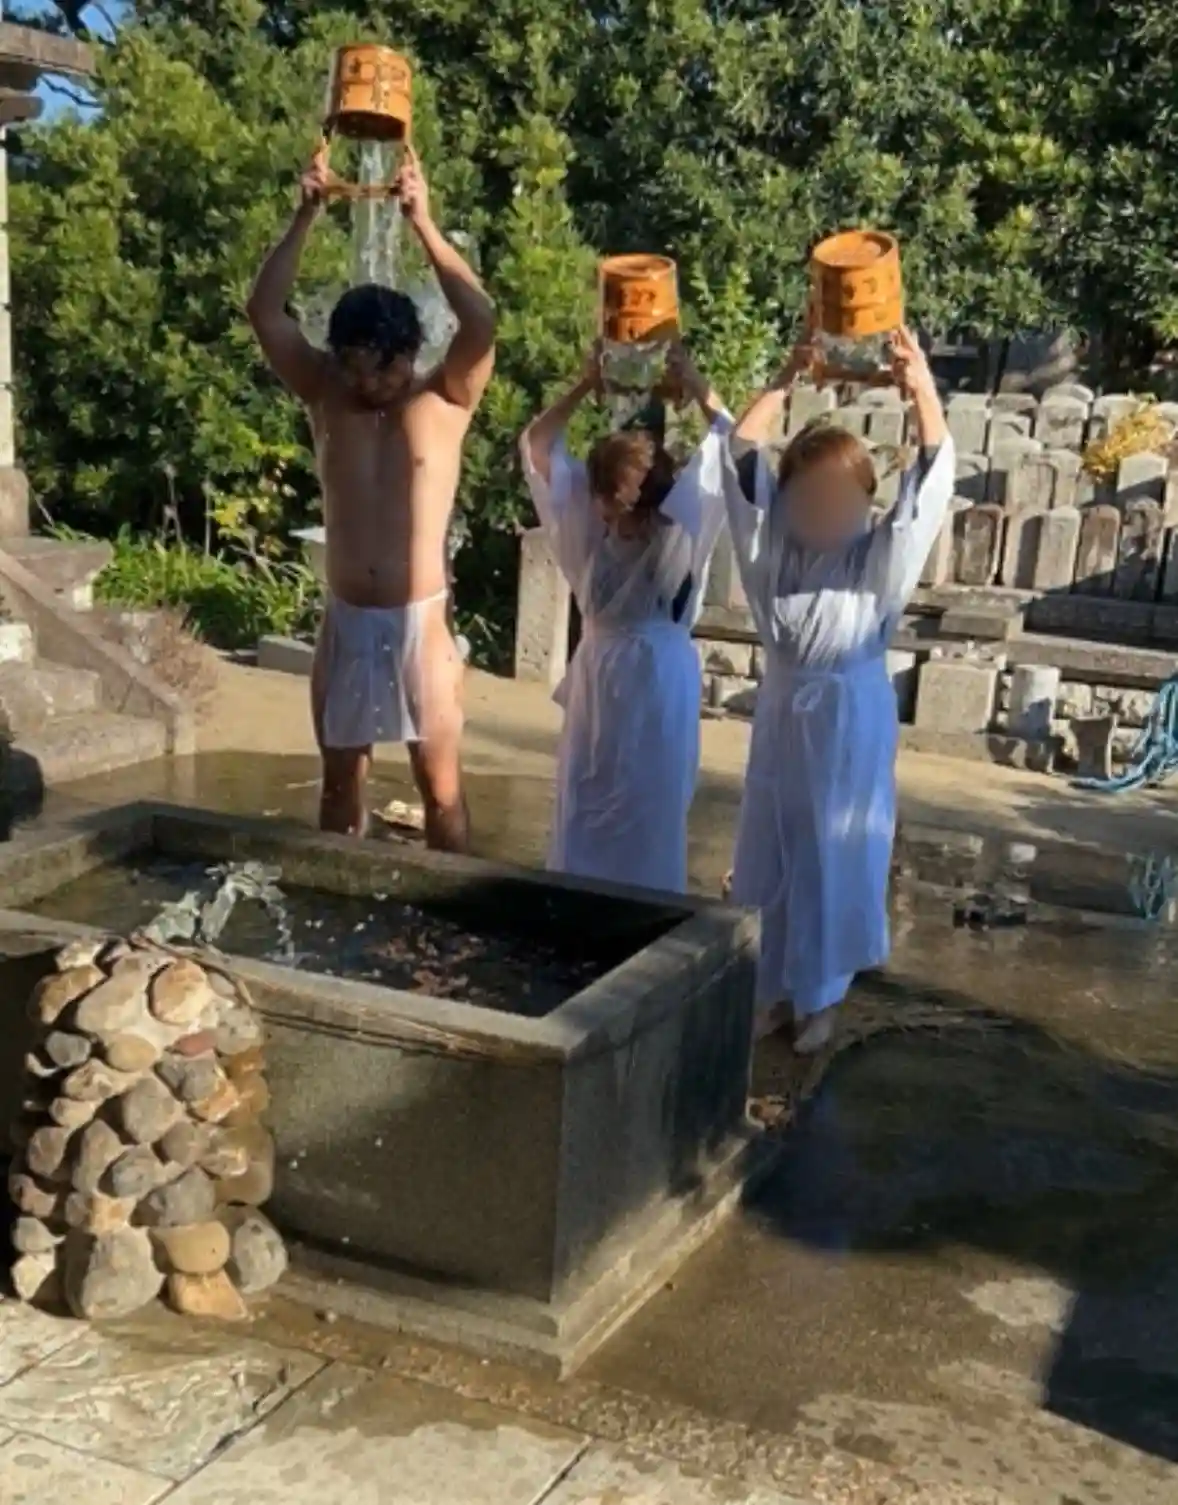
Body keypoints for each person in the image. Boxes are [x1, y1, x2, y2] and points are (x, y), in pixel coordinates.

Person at [245, 144, 494, 848]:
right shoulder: (325, 393)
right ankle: (336, 897)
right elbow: (264, 311)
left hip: (421, 620)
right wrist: (305, 214)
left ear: (410, 355)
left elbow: (480, 321)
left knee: (440, 787)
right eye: (354, 367)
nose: (369, 384)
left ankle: (447, 908)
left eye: (383, 370)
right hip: (348, 616)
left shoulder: (445, 398)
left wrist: (424, 223)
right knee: (339, 784)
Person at [722, 311, 953, 1053]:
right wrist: (787, 375)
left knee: (833, 853)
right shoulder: (772, 553)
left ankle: (821, 996)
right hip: (785, 711)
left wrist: (920, 388)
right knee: (768, 851)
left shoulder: (879, 559)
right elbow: (740, 455)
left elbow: (930, 481)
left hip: (848, 719)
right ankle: (768, 988)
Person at [519, 342, 730, 893]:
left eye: (630, 507)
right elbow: (538, 445)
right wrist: (584, 385)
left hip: (660, 681)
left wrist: (696, 383)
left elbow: (730, 442)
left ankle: (648, 915)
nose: (621, 518)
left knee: (651, 812)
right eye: (611, 504)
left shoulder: (680, 525)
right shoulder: (588, 527)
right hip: (600, 678)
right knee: (586, 805)